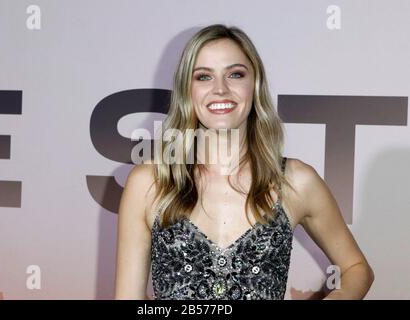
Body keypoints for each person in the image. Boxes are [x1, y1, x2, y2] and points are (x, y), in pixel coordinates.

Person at [114, 24, 374, 300]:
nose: (220, 89)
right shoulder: (150, 182)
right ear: (186, 90)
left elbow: (357, 269)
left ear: (255, 84)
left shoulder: (295, 180)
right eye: (203, 77)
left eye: (235, 74)